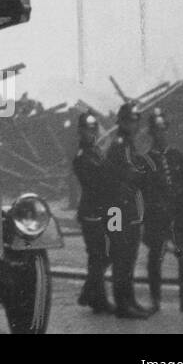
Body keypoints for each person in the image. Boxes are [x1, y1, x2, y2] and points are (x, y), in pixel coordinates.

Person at [143, 107, 183, 314]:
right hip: (157, 216)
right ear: (151, 133)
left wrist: (178, 203)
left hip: (180, 213)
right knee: (155, 258)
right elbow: (145, 190)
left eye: (164, 128)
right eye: (157, 130)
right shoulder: (146, 160)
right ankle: (155, 300)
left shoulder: (178, 156)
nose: (161, 133)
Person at [104, 101, 150, 319]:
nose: (134, 124)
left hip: (128, 207)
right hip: (118, 209)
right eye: (130, 120)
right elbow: (122, 175)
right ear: (122, 122)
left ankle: (129, 300)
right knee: (122, 257)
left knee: (129, 257)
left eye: (135, 121)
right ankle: (123, 305)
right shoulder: (119, 145)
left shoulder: (128, 144)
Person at [71, 110, 113, 313]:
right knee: (99, 255)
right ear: (80, 132)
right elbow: (96, 180)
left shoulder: (96, 152)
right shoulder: (82, 156)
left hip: (102, 210)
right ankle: (91, 295)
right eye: (88, 129)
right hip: (91, 212)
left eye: (94, 128)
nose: (93, 132)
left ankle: (96, 298)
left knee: (103, 255)